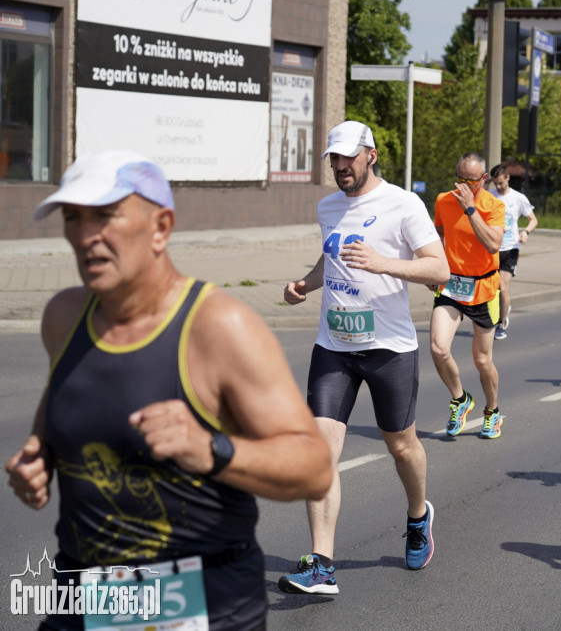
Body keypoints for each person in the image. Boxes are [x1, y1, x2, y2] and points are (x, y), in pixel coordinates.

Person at [6, 151, 333, 630]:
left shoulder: (220, 326)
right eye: (72, 218)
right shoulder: (63, 317)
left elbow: (314, 468)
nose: (84, 235)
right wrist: (38, 460)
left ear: (161, 227)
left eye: (105, 215)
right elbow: (55, 424)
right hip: (85, 598)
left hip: (202, 602)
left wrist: (211, 449)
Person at [278, 121, 450, 594]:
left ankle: (418, 515)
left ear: (370, 154)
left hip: (389, 348)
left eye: (347, 158)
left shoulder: (402, 203)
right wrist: (304, 285)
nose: (339, 167)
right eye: (333, 159)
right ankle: (322, 565)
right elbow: (329, 258)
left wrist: (384, 263)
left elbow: (440, 268)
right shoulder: (328, 206)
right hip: (333, 346)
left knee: (401, 446)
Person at [431, 152, 506, 439]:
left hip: (484, 289)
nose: (464, 187)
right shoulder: (443, 200)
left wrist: (471, 209)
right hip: (451, 286)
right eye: (460, 179)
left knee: (482, 360)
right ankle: (460, 400)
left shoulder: (493, 205)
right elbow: (438, 235)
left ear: (483, 179)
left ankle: (492, 411)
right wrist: (434, 266)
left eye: (471, 182)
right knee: (438, 348)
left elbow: (492, 244)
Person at [487, 163, 538, 340]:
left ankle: (500, 324)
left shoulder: (518, 198)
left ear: (507, 178)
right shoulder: (489, 196)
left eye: (501, 183)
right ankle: (498, 312)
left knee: (502, 286)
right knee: (491, 288)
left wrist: (526, 232)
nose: (499, 187)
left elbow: (533, 219)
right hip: (491, 248)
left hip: (510, 248)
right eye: (496, 184)